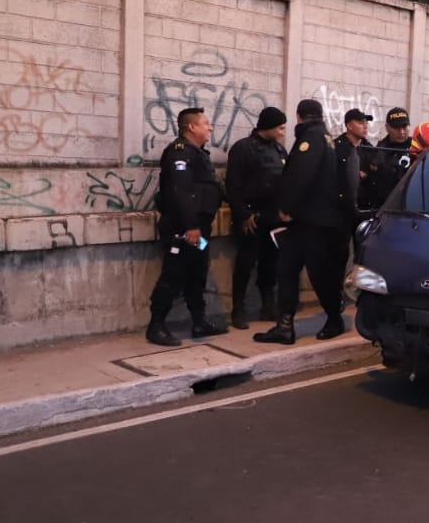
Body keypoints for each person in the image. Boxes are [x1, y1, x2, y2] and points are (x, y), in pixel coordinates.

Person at [253, 99, 345, 345]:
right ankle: (285, 326)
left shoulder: (311, 139)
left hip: (310, 221)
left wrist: (286, 209)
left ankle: (335, 318)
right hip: (308, 222)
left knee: (318, 275)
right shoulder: (323, 136)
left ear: (299, 116)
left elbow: (301, 176)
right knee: (287, 270)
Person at [146, 107, 228, 346]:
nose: (210, 127)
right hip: (183, 229)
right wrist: (191, 226)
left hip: (199, 229)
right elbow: (181, 193)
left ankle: (199, 321)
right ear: (192, 127)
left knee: (197, 272)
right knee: (174, 274)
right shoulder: (179, 153)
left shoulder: (198, 153)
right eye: (206, 123)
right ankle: (156, 326)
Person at [225, 106, 288, 329]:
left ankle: (268, 305)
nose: (282, 132)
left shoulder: (279, 151)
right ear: (268, 126)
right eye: (280, 127)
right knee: (245, 264)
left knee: (270, 264)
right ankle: (238, 310)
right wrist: (243, 214)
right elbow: (233, 186)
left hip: (274, 218)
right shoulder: (243, 149)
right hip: (251, 218)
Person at [333, 108, 366, 293]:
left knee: (363, 253)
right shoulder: (338, 148)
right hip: (341, 211)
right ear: (349, 125)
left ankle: (358, 291)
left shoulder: (365, 147)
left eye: (366, 122)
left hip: (361, 210)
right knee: (339, 254)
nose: (365, 126)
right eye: (360, 122)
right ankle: (337, 293)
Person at [358, 108, 406, 215]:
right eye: (397, 128)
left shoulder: (414, 148)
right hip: (380, 208)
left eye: (404, 127)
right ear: (387, 128)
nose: (402, 132)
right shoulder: (379, 150)